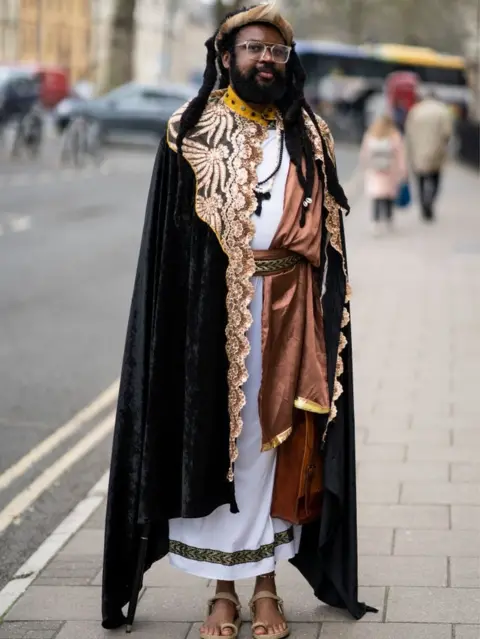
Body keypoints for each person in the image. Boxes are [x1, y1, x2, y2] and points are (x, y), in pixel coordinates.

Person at [101, 4, 375, 638]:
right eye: (254, 49)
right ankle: (221, 592)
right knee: (216, 449)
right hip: (208, 321)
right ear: (227, 57)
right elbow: (166, 249)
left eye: (277, 52)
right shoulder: (189, 130)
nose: (266, 61)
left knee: (276, 450)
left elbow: (330, 236)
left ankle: (268, 588)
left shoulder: (309, 132)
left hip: (289, 315)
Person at [405, 91, 453, 221]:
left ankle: (423, 204)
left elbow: (408, 132)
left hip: (418, 151)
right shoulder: (442, 111)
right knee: (435, 178)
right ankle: (430, 201)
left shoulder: (416, 110)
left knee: (420, 179)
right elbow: (447, 133)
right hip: (436, 151)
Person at [360, 113, 408, 235]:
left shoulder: (371, 134)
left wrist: (365, 166)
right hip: (390, 171)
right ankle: (388, 219)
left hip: (375, 171)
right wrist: (403, 170)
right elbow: (400, 154)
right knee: (388, 197)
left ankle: (375, 222)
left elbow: (365, 153)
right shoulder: (394, 136)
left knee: (376, 197)